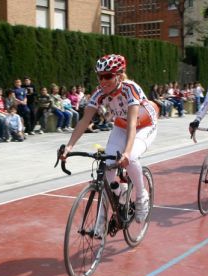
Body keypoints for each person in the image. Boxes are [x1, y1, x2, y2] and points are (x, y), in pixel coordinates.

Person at [63, 54, 158, 224]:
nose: (102, 81)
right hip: (121, 126)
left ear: (120, 75)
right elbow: (85, 120)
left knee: (132, 157)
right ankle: (117, 196)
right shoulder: (99, 92)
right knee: (107, 166)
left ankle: (141, 195)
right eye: (100, 76)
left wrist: (127, 153)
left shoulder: (131, 89)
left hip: (144, 126)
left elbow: (132, 125)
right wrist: (68, 147)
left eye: (107, 76)